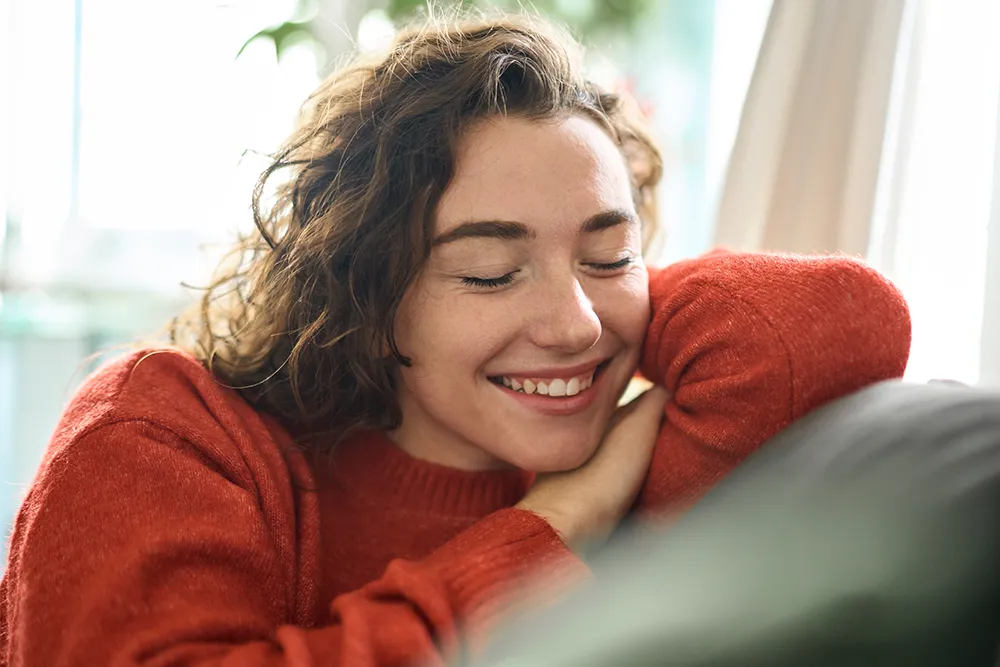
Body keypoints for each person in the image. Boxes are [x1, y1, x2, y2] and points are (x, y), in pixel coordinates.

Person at [0, 12, 911, 667]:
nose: (573, 326)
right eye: (488, 271)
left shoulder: (647, 442)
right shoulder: (163, 433)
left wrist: (625, 303)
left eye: (611, 250)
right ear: (364, 281)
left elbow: (848, 317)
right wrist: (550, 529)